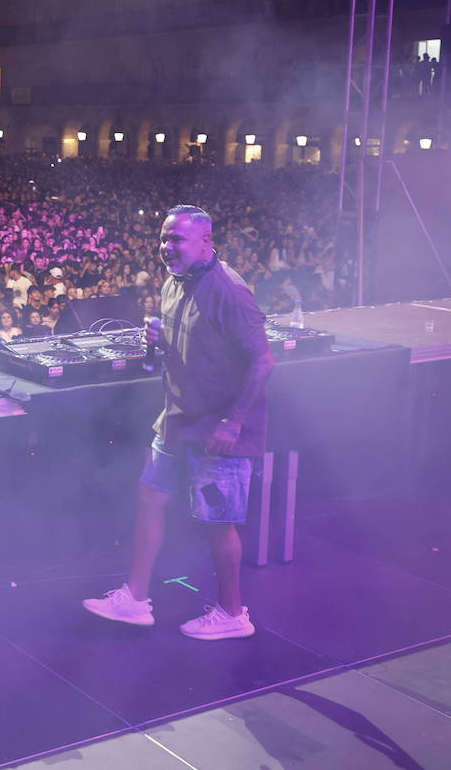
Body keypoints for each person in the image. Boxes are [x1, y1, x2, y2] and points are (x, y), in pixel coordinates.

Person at [83, 205, 274, 641]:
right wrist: (157, 343)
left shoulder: (231, 291)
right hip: (176, 419)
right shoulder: (174, 282)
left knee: (216, 522)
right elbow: (175, 354)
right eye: (164, 238)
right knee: (150, 497)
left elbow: (263, 362)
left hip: (216, 429)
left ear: (205, 241)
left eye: (177, 239)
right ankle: (134, 599)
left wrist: (233, 422)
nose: (167, 247)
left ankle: (232, 613)